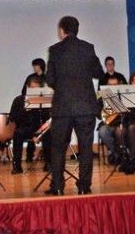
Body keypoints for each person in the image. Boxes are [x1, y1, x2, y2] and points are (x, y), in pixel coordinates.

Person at [45, 16, 103, 195]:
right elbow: (99, 73)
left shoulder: (55, 50)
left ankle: (57, 187)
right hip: (86, 106)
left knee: (58, 148)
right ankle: (84, 186)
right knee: (86, 148)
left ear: (62, 30)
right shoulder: (88, 48)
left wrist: (63, 87)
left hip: (62, 107)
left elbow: (50, 79)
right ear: (77, 30)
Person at [9, 75, 51, 174]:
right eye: (32, 89)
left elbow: (47, 118)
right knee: (18, 133)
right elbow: (12, 117)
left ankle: (49, 163)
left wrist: (41, 108)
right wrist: (25, 110)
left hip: (40, 128)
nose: (34, 92)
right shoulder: (19, 100)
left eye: (37, 89)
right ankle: (17, 165)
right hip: (25, 129)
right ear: (27, 87)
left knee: (49, 133)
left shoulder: (44, 100)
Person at [97, 75, 122, 165]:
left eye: (115, 85)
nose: (112, 87)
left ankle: (117, 154)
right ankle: (117, 153)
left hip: (121, 123)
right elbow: (98, 116)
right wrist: (104, 111)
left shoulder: (123, 95)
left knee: (120, 131)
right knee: (102, 131)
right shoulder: (101, 96)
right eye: (110, 85)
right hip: (107, 124)